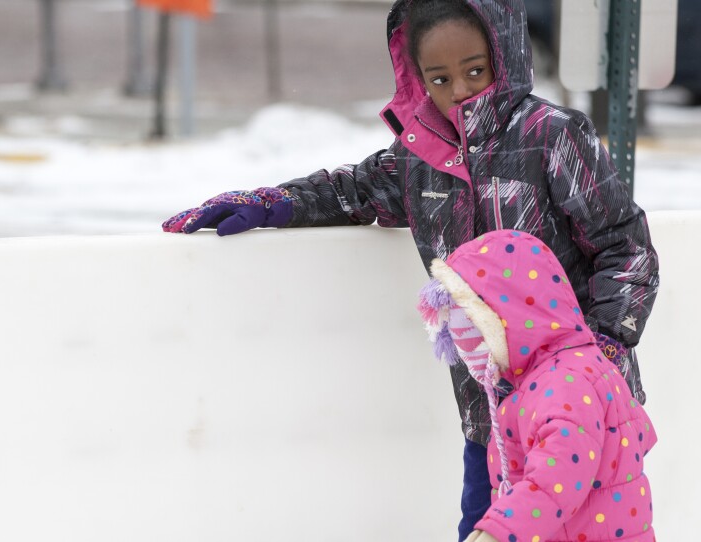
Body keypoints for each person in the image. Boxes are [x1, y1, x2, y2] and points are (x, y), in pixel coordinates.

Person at [162, 0, 659, 539]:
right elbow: (351, 189)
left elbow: (626, 249)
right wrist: (271, 202)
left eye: (475, 70)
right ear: (417, 79)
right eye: (439, 78)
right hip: (489, 410)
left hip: (581, 407)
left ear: (504, 56)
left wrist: (599, 354)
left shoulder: (551, 136)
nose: (460, 91)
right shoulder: (421, 155)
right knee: (484, 524)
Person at [418, 229, 656, 542]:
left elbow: (557, 477)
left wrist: (500, 531)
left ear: (508, 320)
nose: (468, 356)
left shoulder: (564, 384)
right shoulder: (565, 371)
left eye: (476, 337)